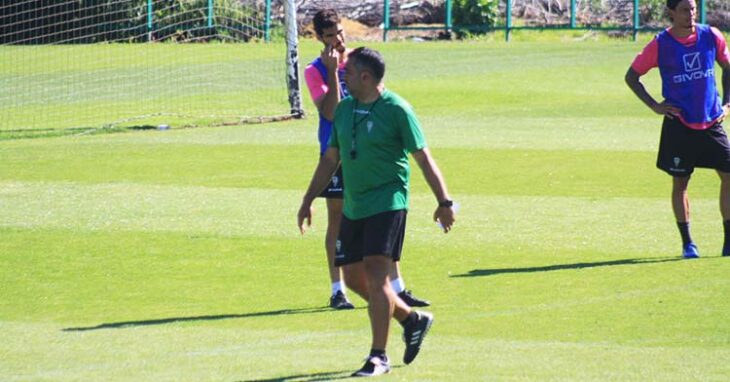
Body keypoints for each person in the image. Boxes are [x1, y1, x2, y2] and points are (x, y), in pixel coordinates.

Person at [298, 47, 455, 377]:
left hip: (388, 203)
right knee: (354, 278)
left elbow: (424, 158)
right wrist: (308, 199)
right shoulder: (344, 111)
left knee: (377, 274)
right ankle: (411, 319)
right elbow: (330, 160)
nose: (345, 76)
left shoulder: (397, 110)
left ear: (366, 77)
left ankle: (378, 356)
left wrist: (444, 202)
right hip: (355, 206)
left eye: (349, 72)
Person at [304, 8, 430, 310]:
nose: (338, 40)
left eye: (340, 33)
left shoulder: (361, 59)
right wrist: (333, 73)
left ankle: (397, 287)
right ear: (320, 37)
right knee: (337, 218)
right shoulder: (314, 71)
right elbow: (331, 112)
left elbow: (381, 93)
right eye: (331, 35)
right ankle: (338, 290)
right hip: (336, 151)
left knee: (383, 214)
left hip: (369, 150)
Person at [625, 0, 730, 258]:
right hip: (680, 126)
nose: (691, 14)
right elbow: (632, 76)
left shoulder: (711, 36)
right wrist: (654, 106)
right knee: (680, 183)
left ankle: (728, 242)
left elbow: (728, 67)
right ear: (671, 13)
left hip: (712, 121)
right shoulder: (661, 44)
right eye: (684, 9)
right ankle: (688, 244)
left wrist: (727, 103)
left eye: (693, 9)